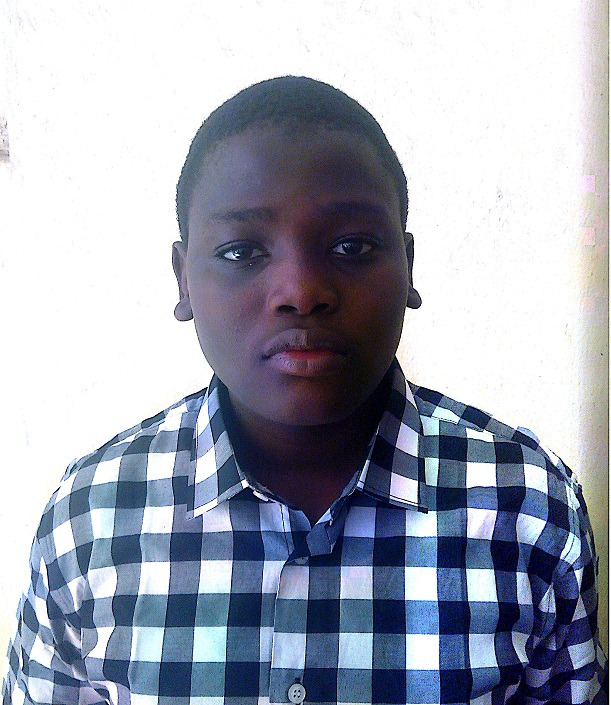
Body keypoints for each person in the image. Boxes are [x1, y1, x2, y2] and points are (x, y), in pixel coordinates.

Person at [2, 76, 607, 705]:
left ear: (407, 267)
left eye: (352, 246)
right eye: (241, 252)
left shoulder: (526, 507)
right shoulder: (92, 518)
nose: (300, 290)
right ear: (183, 281)